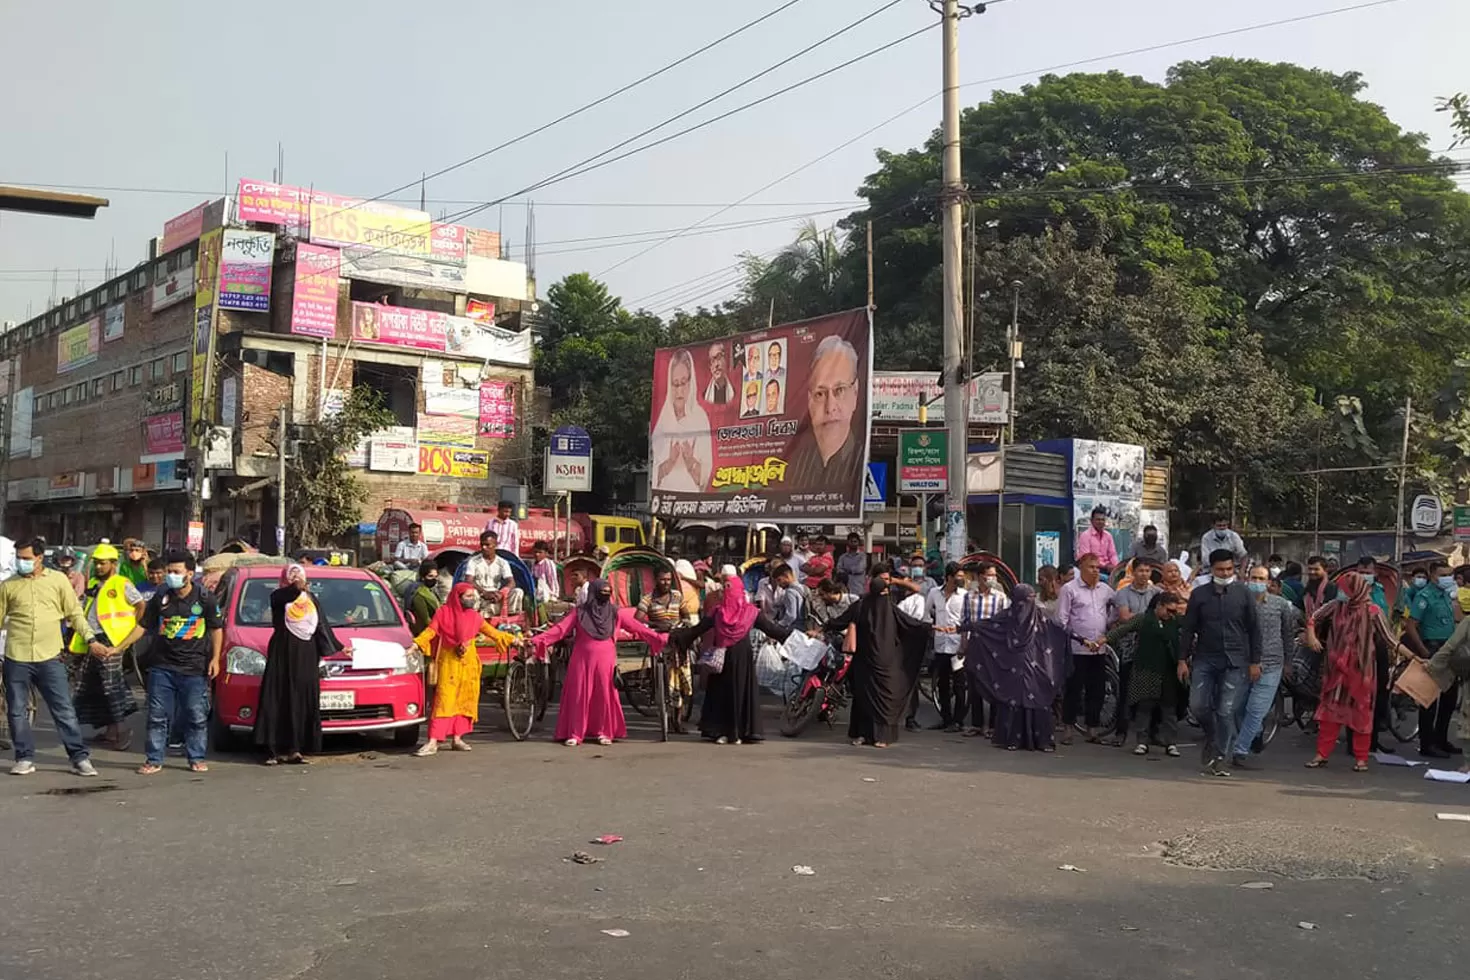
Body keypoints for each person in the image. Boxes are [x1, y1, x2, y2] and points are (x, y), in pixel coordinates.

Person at [111, 552, 223, 774]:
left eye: (176, 572)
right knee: (157, 715)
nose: (170, 576)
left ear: (190, 574)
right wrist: (119, 647)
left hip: (194, 668)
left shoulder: (205, 598)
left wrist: (215, 659)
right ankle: (153, 759)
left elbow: (216, 629)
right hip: (162, 666)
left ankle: (196, 757)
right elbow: (143, 625)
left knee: (195, 715)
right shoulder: (161, 595)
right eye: (169, 572)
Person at [0, 538, 103, 776]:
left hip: (50, 657)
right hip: (17, 656)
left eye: (26, 558)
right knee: (16, 710)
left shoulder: (58, 581)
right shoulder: (8, 586)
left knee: (63, 709)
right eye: (18, 558)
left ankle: (79, 758)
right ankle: (24, 757)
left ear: (39, 558)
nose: (21, 562)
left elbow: (75, 613)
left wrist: (91, 639)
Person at [1303, 571, 1414, 771]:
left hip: (1361, 672)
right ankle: (1321, 755)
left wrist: (1412, 657)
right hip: (1336, 669)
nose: (1341, 593)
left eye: (1345, 590)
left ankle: (1361, 758)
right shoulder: (1335, 607)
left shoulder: (1373, 611)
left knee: (1361, 713)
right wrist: (1311, 636)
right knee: (1330, 713)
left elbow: (1390, 640)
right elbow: (1313, 618)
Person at [536, 579, 668, 746]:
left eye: (608, 592)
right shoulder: (579, 612)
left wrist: (658, 638)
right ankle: (576, 733)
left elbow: (637, 627)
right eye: (602, 592)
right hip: (581, 661)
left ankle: (604, 731)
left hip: (605, 661)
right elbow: (560, 630)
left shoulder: (614, 612)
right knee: (579, 695)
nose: (605, 596)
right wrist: (538, 640)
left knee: (604, 695)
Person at [814, 564, 932, 747]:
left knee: (865, 698)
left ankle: (867, 735)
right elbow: (913, 625)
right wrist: (932, 628)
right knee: (879, 700)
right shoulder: (882, 608)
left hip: (868, 662)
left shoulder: (864, 605)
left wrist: (820, 629)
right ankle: (875, 736)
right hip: (880, 662)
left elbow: (839, 621)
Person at [672, 573, 791, 745]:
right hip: (729, 660)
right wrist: (676, 637)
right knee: (731, 694)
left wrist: (797, 637)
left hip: (729, 658)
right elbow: (696, 630)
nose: (724, 592)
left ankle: (731, 733)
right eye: (724, 587)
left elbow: (773, 630)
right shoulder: (729, 613)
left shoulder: (745, 613)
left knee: (727, 694)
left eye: (728, 588)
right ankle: (728, 732)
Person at [1179, 549, 1260, 777]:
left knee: (1225, 710)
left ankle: (1221, 756)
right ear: (1211, 570)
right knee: (1198, 706)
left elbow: (1254, 630)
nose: (1225, 573)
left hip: (1236, 661)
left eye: (1228, 569)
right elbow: (1188, 629)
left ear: (1234, 568)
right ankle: (1212, 736)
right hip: (1206, 658)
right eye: (1220, 569)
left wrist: (1255, 661)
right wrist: (1182, 659)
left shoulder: (1243, 594)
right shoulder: (1200, 595)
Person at [412, 582, 517, 756]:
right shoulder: (443, 613)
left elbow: (493, 633)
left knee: (464, 701)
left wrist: (514, 640)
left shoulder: (475, 617)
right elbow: (431, 632)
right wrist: (416, 645)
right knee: (444, 701)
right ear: (457, 598)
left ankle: (457, 738)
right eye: (468, 596)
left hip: (469, 667)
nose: (472, 599)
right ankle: (433, 741)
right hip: (449, 664)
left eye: (472, 596)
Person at [967, 584, 1070, 750]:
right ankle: (1012, 739)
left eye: (1029, 600)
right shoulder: (1007, 617)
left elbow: (1061, 631)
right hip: (1012, 666)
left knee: (1037, 696)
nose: (1024, 606)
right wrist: (959, 628)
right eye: (1022, 601)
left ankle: (1041, 740)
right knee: (1013, 699)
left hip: (1036, 664)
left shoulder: (1042, 617)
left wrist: (1083, 640)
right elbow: (985, 625)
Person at [71, 541, 143, 751]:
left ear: (113, 563)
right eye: (96, 563)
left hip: (111, 641)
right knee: (92, 685)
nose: (99, 567)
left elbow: (140, 606)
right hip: (91, 640)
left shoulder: (122, 583)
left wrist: (127, 634)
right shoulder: (93, 582)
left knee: (111, 686)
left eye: (103, 563)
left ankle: (122, 730)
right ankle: (111, 732)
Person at [1103, 592, 1187, 757]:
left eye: (1174, 611)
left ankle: (1170, 743)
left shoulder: (1175, 621)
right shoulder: (1143, 619)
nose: (1171, 614)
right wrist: (1103, 640)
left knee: (1169, 709)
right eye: (1169, 610)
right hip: (1145, 669)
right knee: (1144, 706)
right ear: (1159, 606)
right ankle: (1142, 741)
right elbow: (1122, 630)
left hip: (1168, 670)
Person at [1232, 564, 1299, 767]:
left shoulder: (1281, 605)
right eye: (1254, 578)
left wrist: (1288, 662)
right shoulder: (1238, 605)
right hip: (1242, 664)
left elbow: (1288, 635)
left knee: (1255, 709)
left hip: (1272, 665)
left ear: (1270, 582)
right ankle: (1257, 732)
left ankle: (1240, 750)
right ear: (1246, 580)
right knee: (1237, 708)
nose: (1257, 582)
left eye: (1261, 579)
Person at [784, 335, 863, 492]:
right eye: (820, 394)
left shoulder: (862, 460)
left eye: (839, 390)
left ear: (855, 393)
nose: (830, 407)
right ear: (809, 400)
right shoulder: (792, 466)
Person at [1404, 562, 1461, 759]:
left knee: (1449, 698)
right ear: (1432, 575)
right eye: (1443, 574)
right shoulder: (1424, 597)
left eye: (1449, 574)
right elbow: (1411, 625)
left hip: (1448, 649)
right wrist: (1423, 650)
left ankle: (1441, 739)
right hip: (1432, 647)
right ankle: (1427, 744)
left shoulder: (1446, 594)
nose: (1447, 578)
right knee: (1429, 699)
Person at [1056, 553, 1114, 744]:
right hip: (1076, 648)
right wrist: (1079, 638)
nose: (1096, 570)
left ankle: (1092, 728)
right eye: (1091, 567)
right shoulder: (1069, 589)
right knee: (1074, 689)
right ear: (1081, 567)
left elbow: (1113, 610)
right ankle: (1068, 728)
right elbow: (1061, 621)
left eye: (1098, 567)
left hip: (1099, 648)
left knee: (1096, 690)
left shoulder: (1105, 590)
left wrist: (1108, 628)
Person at [1107, 559, 1160, 745]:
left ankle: (1152, 733)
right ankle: (1121, 733)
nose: (1144, 574)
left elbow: (1163, 616)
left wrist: (1138, 619)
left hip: (1152, 648)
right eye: (1140, 570)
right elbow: (1124, 618)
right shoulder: (1122, 593)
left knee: (1153, 692)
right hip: (1129, 647)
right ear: (1132, 573)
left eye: (1147, 570)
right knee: (1126, 691)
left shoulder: (1157, 593)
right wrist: (1148, 619)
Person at [651, 348, 714, 493]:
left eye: (683, 383)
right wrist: (670, 462)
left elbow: (704, 479)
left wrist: (690, 459)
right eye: (675, 384)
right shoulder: (663, 420)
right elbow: (654, 475)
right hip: (664, 504)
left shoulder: (700, 418)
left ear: (691, 382)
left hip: (690, 504)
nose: (679, 391)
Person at [961, 561, 1012, 736]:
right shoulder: (969, 597)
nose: (991, 578)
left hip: (994, 647)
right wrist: (963, 645)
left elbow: (1006, 623)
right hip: (975, 645)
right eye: (989, 575)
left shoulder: (1001, 598)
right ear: (979, 577)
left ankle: (992, 725)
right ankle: (976, 724)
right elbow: (965, 623)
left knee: (993, 685)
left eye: (993, 575)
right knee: (974, 685)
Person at [927, 562, 969, 732]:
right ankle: (946, 718)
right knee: (942, 684)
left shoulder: (965, 596)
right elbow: (927, 613)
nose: (961, 579)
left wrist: (965, 643)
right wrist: (933, 626)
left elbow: (967, 620)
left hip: (958, 645)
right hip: (941, 644)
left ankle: (958, 721)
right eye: (958, 576)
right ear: (949, 577)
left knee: (960, 685)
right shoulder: (934, 593)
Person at [464, 530, 522, 617]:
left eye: (487, 545)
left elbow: (511, 582)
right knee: (471, 593)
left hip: (497, 595)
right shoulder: (473, 561)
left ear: (495, 545)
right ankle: (475, 615)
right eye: (482, 545)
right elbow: (469, 581)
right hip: (480, 595)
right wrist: (484, 593)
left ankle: (511, 616)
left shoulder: (502, 562)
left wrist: (501, 593)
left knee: (518, 592)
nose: (484, 547)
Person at [756, 561, 805, 631]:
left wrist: (778, 626)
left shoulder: (789, 592)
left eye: (779, 580)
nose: (779, 584)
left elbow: (791, 616)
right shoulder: (803, 587)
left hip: (795, 628)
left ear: (786, 576)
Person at [1075, 507, 1119, 572]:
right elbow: (1087, 558)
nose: (1101, 522)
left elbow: (1112, 554)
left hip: (1108, 569)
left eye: (1103, 520)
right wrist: (1105, 566)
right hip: (1092, 569)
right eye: (1098, 519)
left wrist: (1116, 567)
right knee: (1105, 579)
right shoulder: (1085, 535)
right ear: (1092, 521)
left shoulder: (1108, 535)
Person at [406, 560, 442, 636]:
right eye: (430, 576)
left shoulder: (433, 590)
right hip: (424, 632)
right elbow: (425, 619)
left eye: (435, 576)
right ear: (423, 577)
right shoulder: (419, 594)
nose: (433, 579)